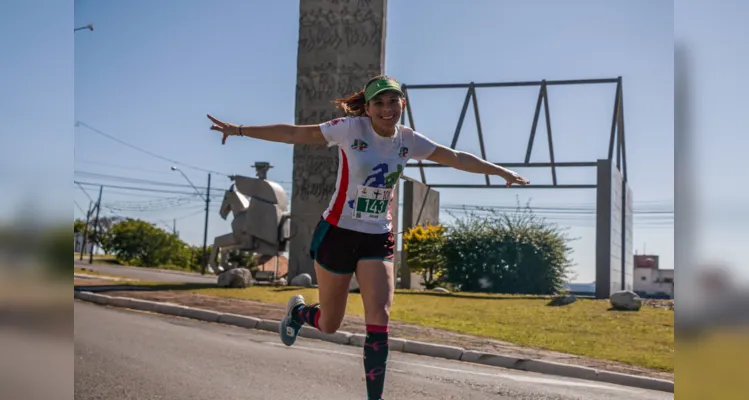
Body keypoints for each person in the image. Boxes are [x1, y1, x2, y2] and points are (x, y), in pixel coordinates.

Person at [207, 75, 529, 400]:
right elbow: (294, 133)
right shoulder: (350, 129)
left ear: (402, 103)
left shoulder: (408, 139)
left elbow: (456, 157)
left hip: (377, 237)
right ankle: (299, 313)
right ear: (369, 107)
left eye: (393, 102)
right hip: (337, 233)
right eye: (379, 103)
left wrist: (499, 171)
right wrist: (239, 130)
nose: (387, 109)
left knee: (380, 318)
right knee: (330, 323)